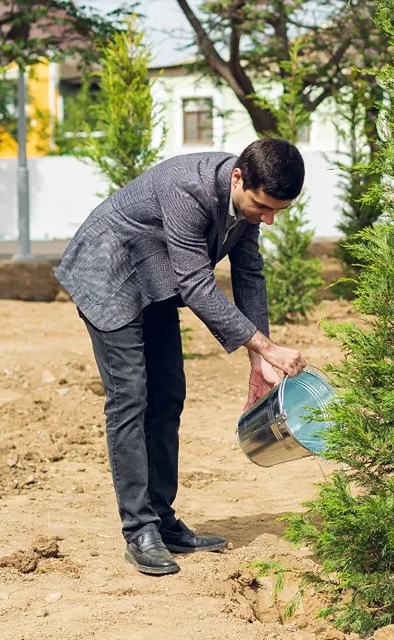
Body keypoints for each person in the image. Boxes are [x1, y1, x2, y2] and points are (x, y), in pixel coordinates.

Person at [55, 138, 308, 576]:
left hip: (154, 279)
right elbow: (195, 284)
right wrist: (264, 347)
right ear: (237, 178)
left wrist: (257, 357)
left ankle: (163, 520)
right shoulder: (186, 187)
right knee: (130, 396)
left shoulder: (246, 205)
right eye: (263, 207)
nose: (267, 218)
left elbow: (249, 272)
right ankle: (139, 531)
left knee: (169, 393)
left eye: (276, 212)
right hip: (107, 273)